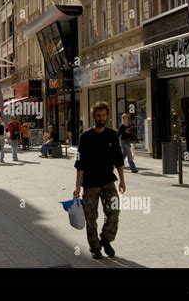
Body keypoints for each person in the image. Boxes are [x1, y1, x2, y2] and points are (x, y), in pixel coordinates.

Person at [73, 102, 126, 260]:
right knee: (91, 217)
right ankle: (95, 247)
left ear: (107, 116)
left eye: (104, 115)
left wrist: (122, 181)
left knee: (114, 211)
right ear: (94, 116)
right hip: (90, 183)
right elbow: (79, 163)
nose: (101, 118)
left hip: (108, 180)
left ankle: (105, 239)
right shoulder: (85, 137)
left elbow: (118, 160)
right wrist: (77, 186)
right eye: (98, 115)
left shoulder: (112, 134)